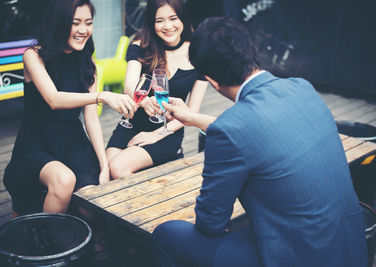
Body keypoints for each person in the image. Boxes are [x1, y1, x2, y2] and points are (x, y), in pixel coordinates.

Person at [153, 17, 368, 266]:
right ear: (251, 50)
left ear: (211, 81)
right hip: (350, 248)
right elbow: (260, 130)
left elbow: (211, 222)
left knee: (167, 233)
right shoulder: (302, 88)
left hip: (297, 256)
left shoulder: (231, 130)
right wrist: (193, 118)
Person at [3, 0, 136, 216]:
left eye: (88, 23)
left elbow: (91, 120)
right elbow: (53, 99)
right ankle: (47, 244)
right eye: (75, 23)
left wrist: (103, 165)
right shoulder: (34, 55)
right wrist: (101, 96)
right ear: (60, 23)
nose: (83, 30)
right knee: (64, 180)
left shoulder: (87, 60)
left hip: (73, 143)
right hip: (36, 143)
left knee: (92, 205)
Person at [106, 0, 208, 179]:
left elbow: (192, 111)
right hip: (131, 123)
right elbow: (129, 87)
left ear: (182, 19)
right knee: (107, 170)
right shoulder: (140, 46)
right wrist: (143, 101)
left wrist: (157, 135)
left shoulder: (199, 54)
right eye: (159, 20)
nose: (167, 26)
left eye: (173, 18)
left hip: (168, 129)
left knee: (118, 168)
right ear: (151, 23)